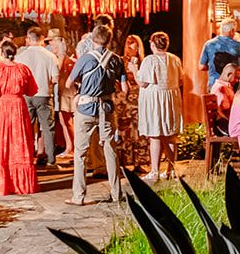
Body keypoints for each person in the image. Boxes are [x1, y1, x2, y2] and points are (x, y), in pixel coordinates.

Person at [66, 22, 125, 205]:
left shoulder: (85, 59)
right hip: (106, 109)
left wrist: (81, 89)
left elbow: (69, 83)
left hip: (85, 109)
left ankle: (79, 196)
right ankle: (116, 193)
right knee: (110, 151)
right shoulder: (117, 60)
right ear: (109, 40)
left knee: (81, 154)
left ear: (93, 39)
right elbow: (125, 88)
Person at [0, 42, 38, 196]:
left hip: (0, 107)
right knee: (19, 142)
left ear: (2, 53)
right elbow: (32, 90)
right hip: (18, 107)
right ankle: (21, 184)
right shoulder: (23, 69)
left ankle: (1, 185)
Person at [136, 31, 183, 182]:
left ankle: (155, 170)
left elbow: (143, 82)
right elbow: (181, 80)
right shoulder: (174, 59)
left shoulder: (150, 60)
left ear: (152, 44)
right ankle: (170, 169)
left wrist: (133, 70)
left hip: (154, 100)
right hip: (171, 98)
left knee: (155, 135)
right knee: (170, 135)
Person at [16, 27, 60, 167]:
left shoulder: (21, 56)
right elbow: (55, 79)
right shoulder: (50, 56)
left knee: (26, 127)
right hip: (44, 94)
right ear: (42, 38)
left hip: (26, 95)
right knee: (48, 128)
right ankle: (51, 159)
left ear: (29, 38)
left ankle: (27, 157)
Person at [114, 32, 148, 173]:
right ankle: (123, 161)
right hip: (123, 98)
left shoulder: (144, 62)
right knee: (124, 129)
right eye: (128, 43)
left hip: (139, 98)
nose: (130, 45)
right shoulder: (121, 61)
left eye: (133, 43)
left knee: (139, 129)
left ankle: (139, 161)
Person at [45, 29, 75, 161]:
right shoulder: (56, 58)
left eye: (52, 43)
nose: (51, 46)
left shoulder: (64, 59)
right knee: (63, 120)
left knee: (66, 120)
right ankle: (69, 146)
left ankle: (72, 147)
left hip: (66, 93)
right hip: (61, 92)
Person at [199, 18, 240, 90]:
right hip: (231, 85)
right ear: (232, 31)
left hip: (213, 84)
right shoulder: (237, 45)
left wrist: (212, 66)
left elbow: (201, 67)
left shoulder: (208, 44)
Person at [211, 61, 240, 130]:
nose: (237, 80)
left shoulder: (225, 87)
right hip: (224, 126)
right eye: (236, 77)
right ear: (229, 74)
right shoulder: (220, 88)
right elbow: (221, 112)